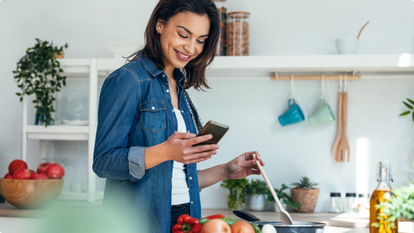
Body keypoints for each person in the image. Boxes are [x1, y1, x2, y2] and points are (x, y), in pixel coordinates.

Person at [92, 0, 264, 232]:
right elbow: (103, 162)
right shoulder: (128, 80)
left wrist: (225, 170)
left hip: (186, 220)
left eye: (200, 40)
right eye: (184, 34)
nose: (191, 48)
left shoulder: (179, 87)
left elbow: (175, 181)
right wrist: (164, 151)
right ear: (160, 25)